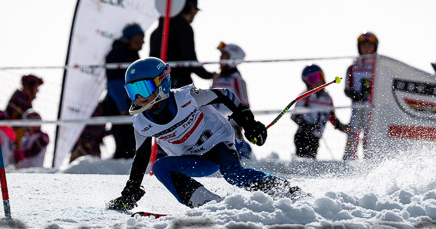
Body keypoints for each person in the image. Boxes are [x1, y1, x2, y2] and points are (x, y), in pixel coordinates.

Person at [107, 57, 305, 211]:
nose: (139, 98)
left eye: (143, 88)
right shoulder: (141, 122)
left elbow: (224, 94)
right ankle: (208, 204)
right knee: (159, 167)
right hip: (193, 159)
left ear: (162, 82)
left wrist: (249, 123)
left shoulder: (187, 97)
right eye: (133, 91)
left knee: (233, 174)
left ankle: (287, 191)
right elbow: (141, 159)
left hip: (217, 144)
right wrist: (130, 192)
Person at [149, 0, 217, 89]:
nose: (195, 14)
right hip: (179, 86)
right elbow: (189, 59)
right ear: (191, 8)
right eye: (195, 10)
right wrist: (210, 75)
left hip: (158, 86)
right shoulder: (184, 28)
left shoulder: (156, 32)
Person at [104, 23, 146, 160]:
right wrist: (122, 107)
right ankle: (120, 173)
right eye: (139, 39)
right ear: (130, 38)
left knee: (132, 143)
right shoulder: (117, 54)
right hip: (120, 105)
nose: (143, 42)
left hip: (130, 103)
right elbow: (115, 84)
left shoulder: (133, 55)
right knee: (124, 144)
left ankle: (128, 169)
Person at [291, 64, 349, 159]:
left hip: (316, 137)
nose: (317, 81)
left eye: (319, 77)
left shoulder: (327, 99)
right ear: (307, 82)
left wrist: (341, 126)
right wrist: (307, 126)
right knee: (303, 160)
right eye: (313, 79)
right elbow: (294, 116)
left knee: (311, 160)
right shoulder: (305, 96)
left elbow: (331, 117)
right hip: (303, 135)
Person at [212, 42, 252, 159]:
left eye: (224, 55)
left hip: (231, 124)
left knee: (234, 148)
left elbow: (244, 102)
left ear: (233, 58)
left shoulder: (236, 78)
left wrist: (243, 123)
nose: (220, 58)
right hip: (215, 122)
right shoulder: (217, 77)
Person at [343, 32, 377, 160]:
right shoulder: (353, 67)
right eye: (363, 46)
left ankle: (370, 160)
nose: (366, 48)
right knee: (353, 132)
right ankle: (348, 159)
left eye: (370, 45)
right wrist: (356, 94)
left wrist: (370, 91)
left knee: (370, 134)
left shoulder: (377, 66)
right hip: (357, 107)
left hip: (372, 108)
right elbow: (347, 88)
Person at [5, 74, 43, 149]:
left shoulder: (22, 98)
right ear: (30, 87)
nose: (37, 90)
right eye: (36, 87)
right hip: (12, 140)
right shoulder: (22, 100)